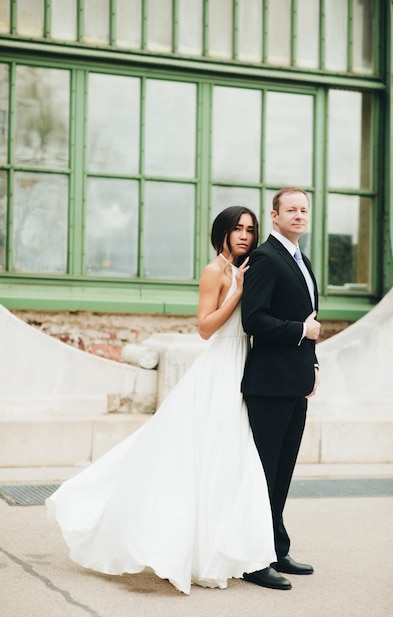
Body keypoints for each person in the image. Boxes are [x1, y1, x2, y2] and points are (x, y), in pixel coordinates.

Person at [46, 206, 276, 595]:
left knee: (228, 459)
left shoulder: (247, 268)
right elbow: (205, 329)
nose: (244, 235)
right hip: (220, 364)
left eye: (250, 230)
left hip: (243, 364)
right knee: (201, 453)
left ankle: (221, 548)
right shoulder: (215, 272)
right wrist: (236, 292)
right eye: (237, 228)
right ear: (221, 231)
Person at [240, 187, 321, 591]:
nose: (299, 215)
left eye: (304, 209)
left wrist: (314, 361)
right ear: (274, 216)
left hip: (296, 383)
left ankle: (275, 547)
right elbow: (253, 320)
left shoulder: (301, 260)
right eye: (291, 209)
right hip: (268, 387)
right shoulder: (265, 258)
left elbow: (310, 318)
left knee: (283, 473)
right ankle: (253, 560)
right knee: (264, 474)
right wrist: (300, 332)